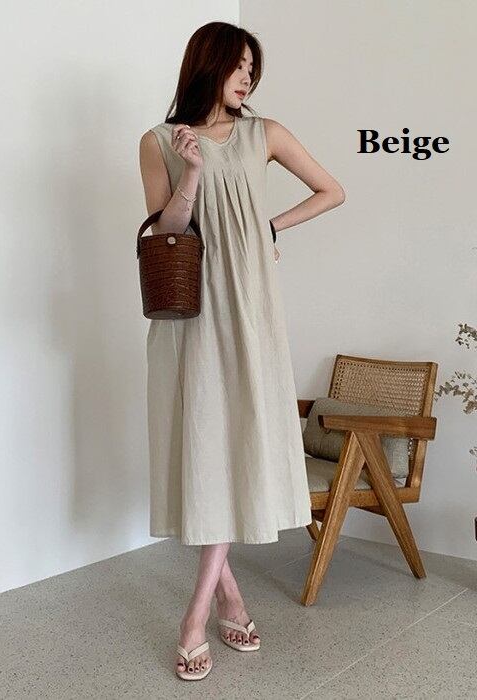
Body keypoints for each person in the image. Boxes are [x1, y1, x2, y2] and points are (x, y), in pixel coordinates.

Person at [138, 21, 345, 681]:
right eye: (239, 65)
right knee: (203, 450)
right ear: (210, 63)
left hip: (251, 315)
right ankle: (228, 598)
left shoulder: (266, 134)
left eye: (254, 68)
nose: (248, 78)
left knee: (234, 444)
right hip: (190, 316)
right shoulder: (160, 142)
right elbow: (167, 232)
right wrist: (192, 173)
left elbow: (332, 190)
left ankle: (195, 617)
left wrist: (267, 227)